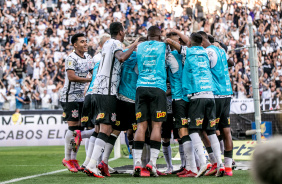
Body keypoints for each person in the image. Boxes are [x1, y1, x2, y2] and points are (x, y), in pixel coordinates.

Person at [84, 22, 139, 178]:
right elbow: (121, 58)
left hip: (98, 90)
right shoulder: (115, 43)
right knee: (106, 129)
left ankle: (90, 164)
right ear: (121, 32)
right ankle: (93, 164)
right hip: (106, 92)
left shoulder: (108, 43)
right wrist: (134, 45)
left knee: (102, 129)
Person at [166, 32, 224, 177]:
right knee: (210, 131)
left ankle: (201, 164)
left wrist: (167, 41)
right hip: (210, 94)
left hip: (194, 95)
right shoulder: (205, 52)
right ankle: (220, 164)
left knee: (191, 130)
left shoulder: (185, 51)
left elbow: (178, 45)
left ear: (189, 43)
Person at [133, 26, 169, 177]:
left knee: (141, 126)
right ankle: (152, 163)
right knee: (156, 126)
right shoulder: (163, 45)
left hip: (141, 87)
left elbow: (135, 69)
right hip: (158, 88)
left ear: (147, 36)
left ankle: (137, 164)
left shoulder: (140, 46)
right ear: (159, 35)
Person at [198, 32, 234, 176]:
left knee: (205, 129)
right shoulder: (220, 50)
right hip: (227, 93)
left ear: (201, 42)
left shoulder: (208, 52)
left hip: (216, 94)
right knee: (226, 130)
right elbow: (230, 63)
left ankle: (215, 162)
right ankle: (228, 167)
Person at [60, 33, 93, 173]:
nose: (85, 44)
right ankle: (67, 158)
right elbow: (71, 77)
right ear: (75, 45)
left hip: (81, 97)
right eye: (82, 42)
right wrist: (89, 80)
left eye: (86, 41)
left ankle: (73, 159)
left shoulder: (89, 57)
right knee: (73, 128)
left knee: (79, 130)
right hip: (70, 97)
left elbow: (94, 72)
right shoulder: (71, 58)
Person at [81, 33, 110, 171]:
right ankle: (92, 162)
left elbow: (91, 75)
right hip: (100, 94)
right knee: (99, 130)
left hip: (90, 94)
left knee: (95, 130)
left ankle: (89, 162)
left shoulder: (95, 58)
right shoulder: (108, 57)